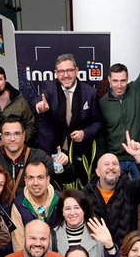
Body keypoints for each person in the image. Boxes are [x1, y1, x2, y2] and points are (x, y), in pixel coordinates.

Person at [32, 53, 103, 187]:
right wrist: (39, 105)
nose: (65, 75)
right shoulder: (49, 87)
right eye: (61, 71)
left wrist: (84, 133)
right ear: (55, 73)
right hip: (52, 150)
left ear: (77, 70)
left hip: (79, 153)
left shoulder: (90, 93)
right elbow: (40, 98)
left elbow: (98, 123)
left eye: (69, 70)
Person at [100, 29, 140, 181]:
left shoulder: (137, 89)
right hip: (116, 160)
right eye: (115, 81)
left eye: (123, 81)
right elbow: (102, 134)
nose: (119, 85)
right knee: (119, 197)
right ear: (109, 80)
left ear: (127, 79)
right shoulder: (102, 103)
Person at [84, 133, 140, 244]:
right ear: (97, 172)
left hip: (126, 253)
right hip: (99, 252)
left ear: (119, 171)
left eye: (115, 164)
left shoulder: (129, 189)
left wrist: (139, 156)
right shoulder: (86, 195)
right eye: (106, 164)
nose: (111, 167)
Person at [0, 115, 53, 183]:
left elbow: (58, 178)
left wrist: (63, 163)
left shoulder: (39, 157)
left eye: (17, 134)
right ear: (2, 137)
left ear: (23, 136)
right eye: (7, 134)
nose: (12, 139)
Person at [51, 189, 109, 257]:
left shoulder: (98, 232)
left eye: (77, 207)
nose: (72, 213)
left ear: (84, 210)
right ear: (62, 212)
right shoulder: (53, 235)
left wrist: (110, 245)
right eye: (67, 208)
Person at [9, 160, 61, 249]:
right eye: (31, 178)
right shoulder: (19, 205)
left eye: (40, 177)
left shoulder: (61, 200)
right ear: (25, 180)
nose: (35, 183)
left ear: (47, 180)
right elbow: (19, 243)